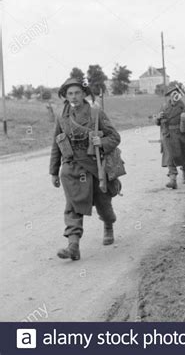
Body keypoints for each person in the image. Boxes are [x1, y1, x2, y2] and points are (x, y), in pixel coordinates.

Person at [50, 78, 121, 261]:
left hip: (94, 167)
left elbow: (115, 137)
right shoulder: (61, 116)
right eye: (70, 93)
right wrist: (53, 171)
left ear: (84, 94)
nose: (73, 97)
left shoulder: (96, 112)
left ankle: (108, 225)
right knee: (72, 207)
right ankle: (73, 245)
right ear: (65, 96)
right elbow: (56, 144)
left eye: (77, 93)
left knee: (103, 205)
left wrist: (102, 142)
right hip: (71, 168)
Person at [156, 85, 185, 189]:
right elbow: (157, 121)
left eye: (176, 94)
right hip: (168, 134)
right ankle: (172, 179)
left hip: (181, 134)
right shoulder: (164, 106)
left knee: (183, 155)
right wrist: (158, 118)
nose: (174, 96)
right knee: (170, 156)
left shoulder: (184, 105)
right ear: (169, 96)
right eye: (172, 94)